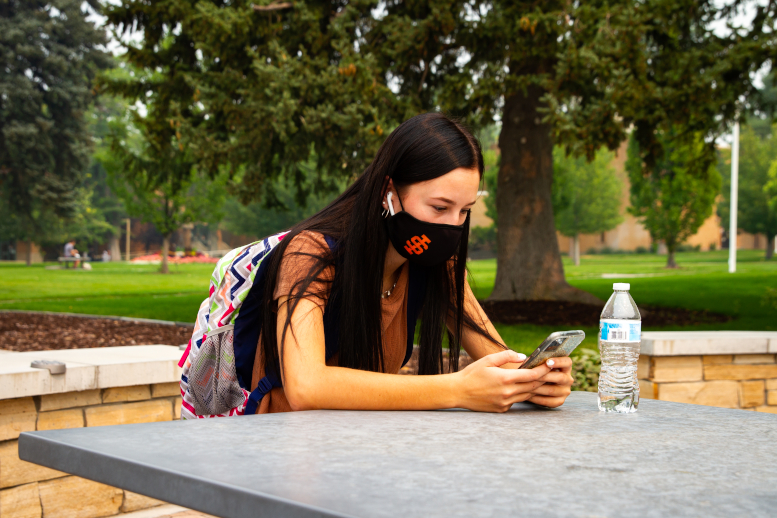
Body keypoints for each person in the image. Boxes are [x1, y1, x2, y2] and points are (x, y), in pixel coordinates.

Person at [251, 113, 574, 414]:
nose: (451, 225)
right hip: (285, 453)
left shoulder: (436, 265)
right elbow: (306, 387)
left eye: (464, 211)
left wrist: (536, 380)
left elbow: (498, 361)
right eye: (439, 207)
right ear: (388, 192)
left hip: (363, 449)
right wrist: (458, 389)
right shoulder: (310, 253)